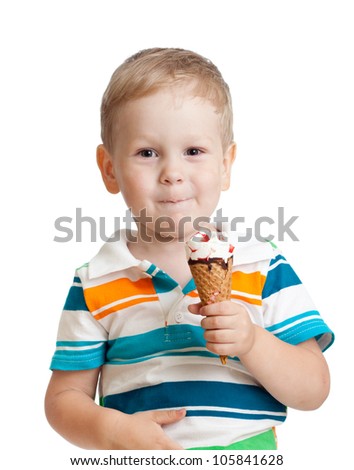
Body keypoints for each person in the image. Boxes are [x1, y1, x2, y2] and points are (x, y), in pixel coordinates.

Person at [45, 48, 334, 450]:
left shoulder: (262, 264)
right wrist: (111, 431)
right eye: (147, 153)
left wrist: (252, 341)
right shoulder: (96, 281)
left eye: (193, 152)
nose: (172, 174)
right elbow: (63, 401)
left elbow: (314, 388)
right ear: (110, 169)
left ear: (226, 164)